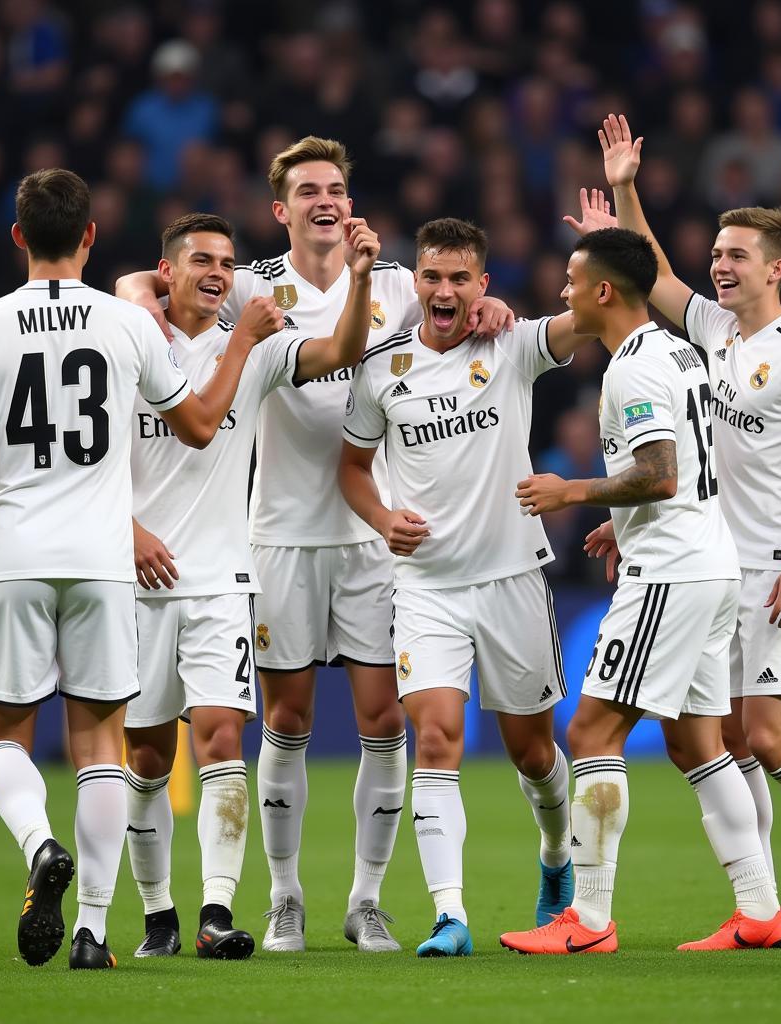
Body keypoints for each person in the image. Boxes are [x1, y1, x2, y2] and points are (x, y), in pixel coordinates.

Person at [117, 136, 512, 953]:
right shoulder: (252, 287)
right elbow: (142, 284)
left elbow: (468, 314)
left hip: (375, 533)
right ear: (282, 209)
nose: (324, 200)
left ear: (350, 198)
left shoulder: (403, 283)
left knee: (381, 721)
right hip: (281, 534)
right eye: (307, 191)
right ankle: (286, 897)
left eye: (335, 186)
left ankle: (366, 900)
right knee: (287, 718)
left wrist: (494, 313)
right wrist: (140, 294)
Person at [0, 168, 260, 970]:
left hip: (15, 556)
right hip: (104, 565)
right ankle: (93, 932)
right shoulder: (127, 326)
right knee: (102, 745)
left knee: (2, 739)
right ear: (90, 236)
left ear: (19, 236)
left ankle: (39, 844)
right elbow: (200, 424)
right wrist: (239, 343)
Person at [596, 113, 781, 945]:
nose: (718, 266)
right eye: (715, 254)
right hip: (718, 563)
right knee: (728, 745)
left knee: (765, 734)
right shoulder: (713, 332)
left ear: (775, 269)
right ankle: (761, 911)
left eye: (736, 255)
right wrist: (623, 189)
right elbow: (654, 274)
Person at [499, 227, 781, 955]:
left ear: (603, 291)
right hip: (709, 561)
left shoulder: (630, 370)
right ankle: (761, 910)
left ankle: (589, 922)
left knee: (590, 732)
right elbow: (683, 465)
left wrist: (575, 493)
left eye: (571, 281)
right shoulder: (676, 349)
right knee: (697, 743)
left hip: (671, 573)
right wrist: (620, 522)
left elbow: (659, 471)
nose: (562, 293)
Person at [122, 209, 382, 961]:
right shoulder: (130, 337)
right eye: (200, 259)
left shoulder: (261, 352)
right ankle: (157, 914)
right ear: (166, 271)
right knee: (143, 759)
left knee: (221, 741)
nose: (216, 272)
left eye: (227, 263)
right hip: (138, 581)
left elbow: (341, 347)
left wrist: (361, 280)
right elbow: (97, 452)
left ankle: (214, 912)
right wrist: (128, 531)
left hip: (222, 579)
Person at [339, 217, 585, 957]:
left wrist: (604, 243)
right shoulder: (380, 368)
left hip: (511, 577)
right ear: (415, 283)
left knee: (533, 756)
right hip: (426, 587)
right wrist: (383, 519)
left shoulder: (511, 344)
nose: (444, 291)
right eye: (431, 277)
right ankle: (451, 915)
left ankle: (556, 857)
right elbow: (351, 468)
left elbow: (598, 317)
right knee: (437, 739)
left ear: (482, 284)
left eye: (459, 279)